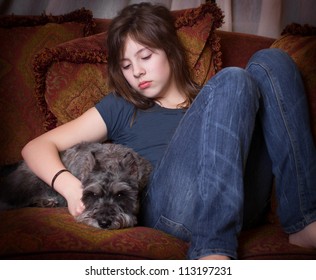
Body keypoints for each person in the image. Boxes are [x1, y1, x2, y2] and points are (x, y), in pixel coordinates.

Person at [21, 3, 316, 259]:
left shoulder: (219, 97)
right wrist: (71, 188)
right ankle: (212, 247)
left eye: (145, 57)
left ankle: (304, 222)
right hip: (175, 207)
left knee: (271, 61)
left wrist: (229, 96)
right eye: (126, 65)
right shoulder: (122, 106)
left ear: (170, 50)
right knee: (234, 79)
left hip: (242, 203)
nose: (136, 71)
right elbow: (35, 147)